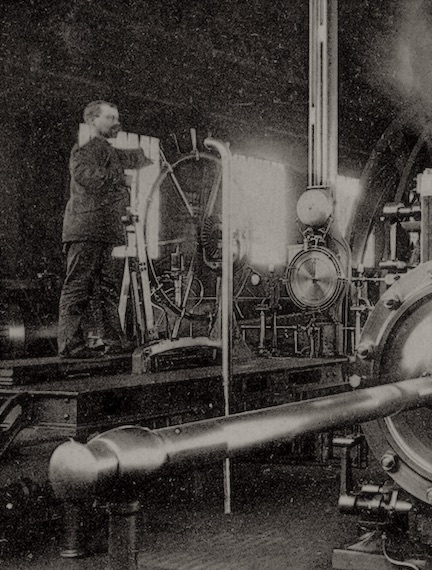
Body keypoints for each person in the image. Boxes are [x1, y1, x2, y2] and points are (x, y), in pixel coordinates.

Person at [58, 100, 152, 358]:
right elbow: (85, 175)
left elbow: (135, 158)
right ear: (92, 121)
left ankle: (114, 342)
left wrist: (154, 156)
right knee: (78, 287)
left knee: (105, 289)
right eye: (109, 117)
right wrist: (119, 177)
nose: (115, 122)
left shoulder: (109, 152)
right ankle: (70, 345)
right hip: (86, 229)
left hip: (103, 231)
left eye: (116, 117)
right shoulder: (85, 150)